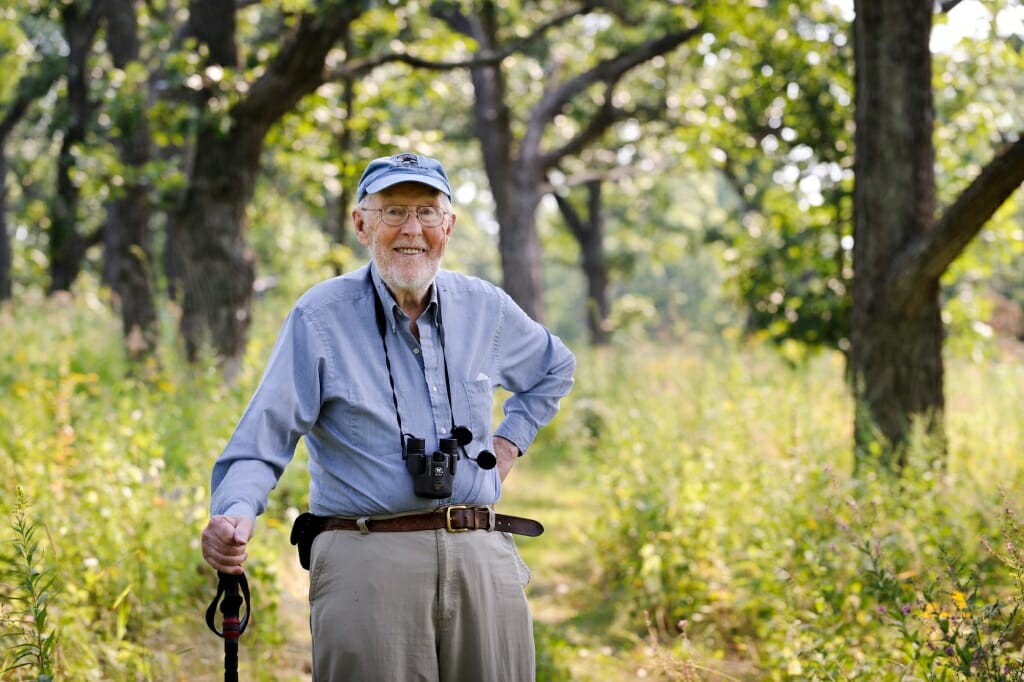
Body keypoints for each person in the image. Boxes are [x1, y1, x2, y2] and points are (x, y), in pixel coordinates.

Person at [200, 152, 576, 681]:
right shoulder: (319, 316)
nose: (411, 230)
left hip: (482, 559)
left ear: (448, 225)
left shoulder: (485, 307)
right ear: (361, 224)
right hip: (365, 562)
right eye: (393, 211)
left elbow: (554, 369)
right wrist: (235, 511)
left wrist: (509, 443)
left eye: (426, 212)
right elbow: (263, 439)